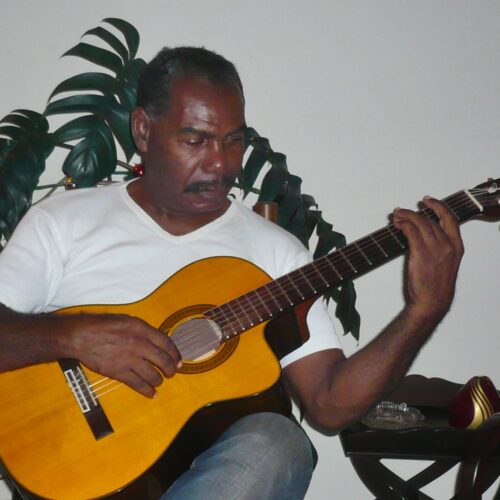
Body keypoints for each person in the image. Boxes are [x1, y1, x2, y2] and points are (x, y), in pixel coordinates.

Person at [0, 47, 463, 499]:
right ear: (143, 129)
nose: (221, 163)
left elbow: (328, 404)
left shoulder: (275, 254)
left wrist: (422, 312)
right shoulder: (63, 221)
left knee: (280, 442)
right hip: (69, 471)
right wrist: (73, 336)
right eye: (195, 140)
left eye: (234, 141)